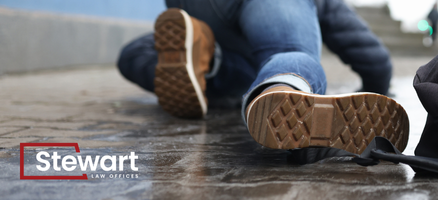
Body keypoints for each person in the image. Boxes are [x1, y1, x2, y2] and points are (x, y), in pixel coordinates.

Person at [116, 0, 409, 154]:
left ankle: (207, 56)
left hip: (199, 9)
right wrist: (377, 85)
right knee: (287, 52)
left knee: (134, 55)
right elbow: (369, 53)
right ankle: (280, 86)